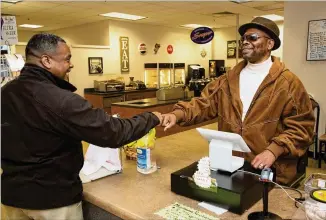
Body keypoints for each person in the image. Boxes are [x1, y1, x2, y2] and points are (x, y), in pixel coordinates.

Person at [1, 33, 163, 220]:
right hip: (53, 202)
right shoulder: (61, 100)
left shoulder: (5, 93)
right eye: (67, 59)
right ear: (46, 60)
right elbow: (113, 132)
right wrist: (152, 117)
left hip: (11, 198)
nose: (71, 64)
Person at [161, 17, 315, 185]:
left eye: (253, 38)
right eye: (243, 39)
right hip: (231, 166)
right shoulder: (228, 79)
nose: (245, 42)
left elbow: (302, 128)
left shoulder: (288, 83)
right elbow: (203, 104)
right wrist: (178, 114)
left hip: (272, 174)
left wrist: (273, 150)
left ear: (270, 44)